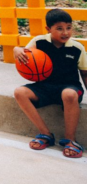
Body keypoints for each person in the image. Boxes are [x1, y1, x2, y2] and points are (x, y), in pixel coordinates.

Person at [13, 9, 86, 158]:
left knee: (69, 94)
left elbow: (85, 73)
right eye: (59, 28)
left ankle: (70, 140)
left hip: (69, 87)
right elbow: (22, 51)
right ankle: (45, 134)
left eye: (68, 27)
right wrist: (16, 49)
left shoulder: (78, 48)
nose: (65, 32)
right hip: (45, 87)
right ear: (48, 29)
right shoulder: (39, 42)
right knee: (19, 92)